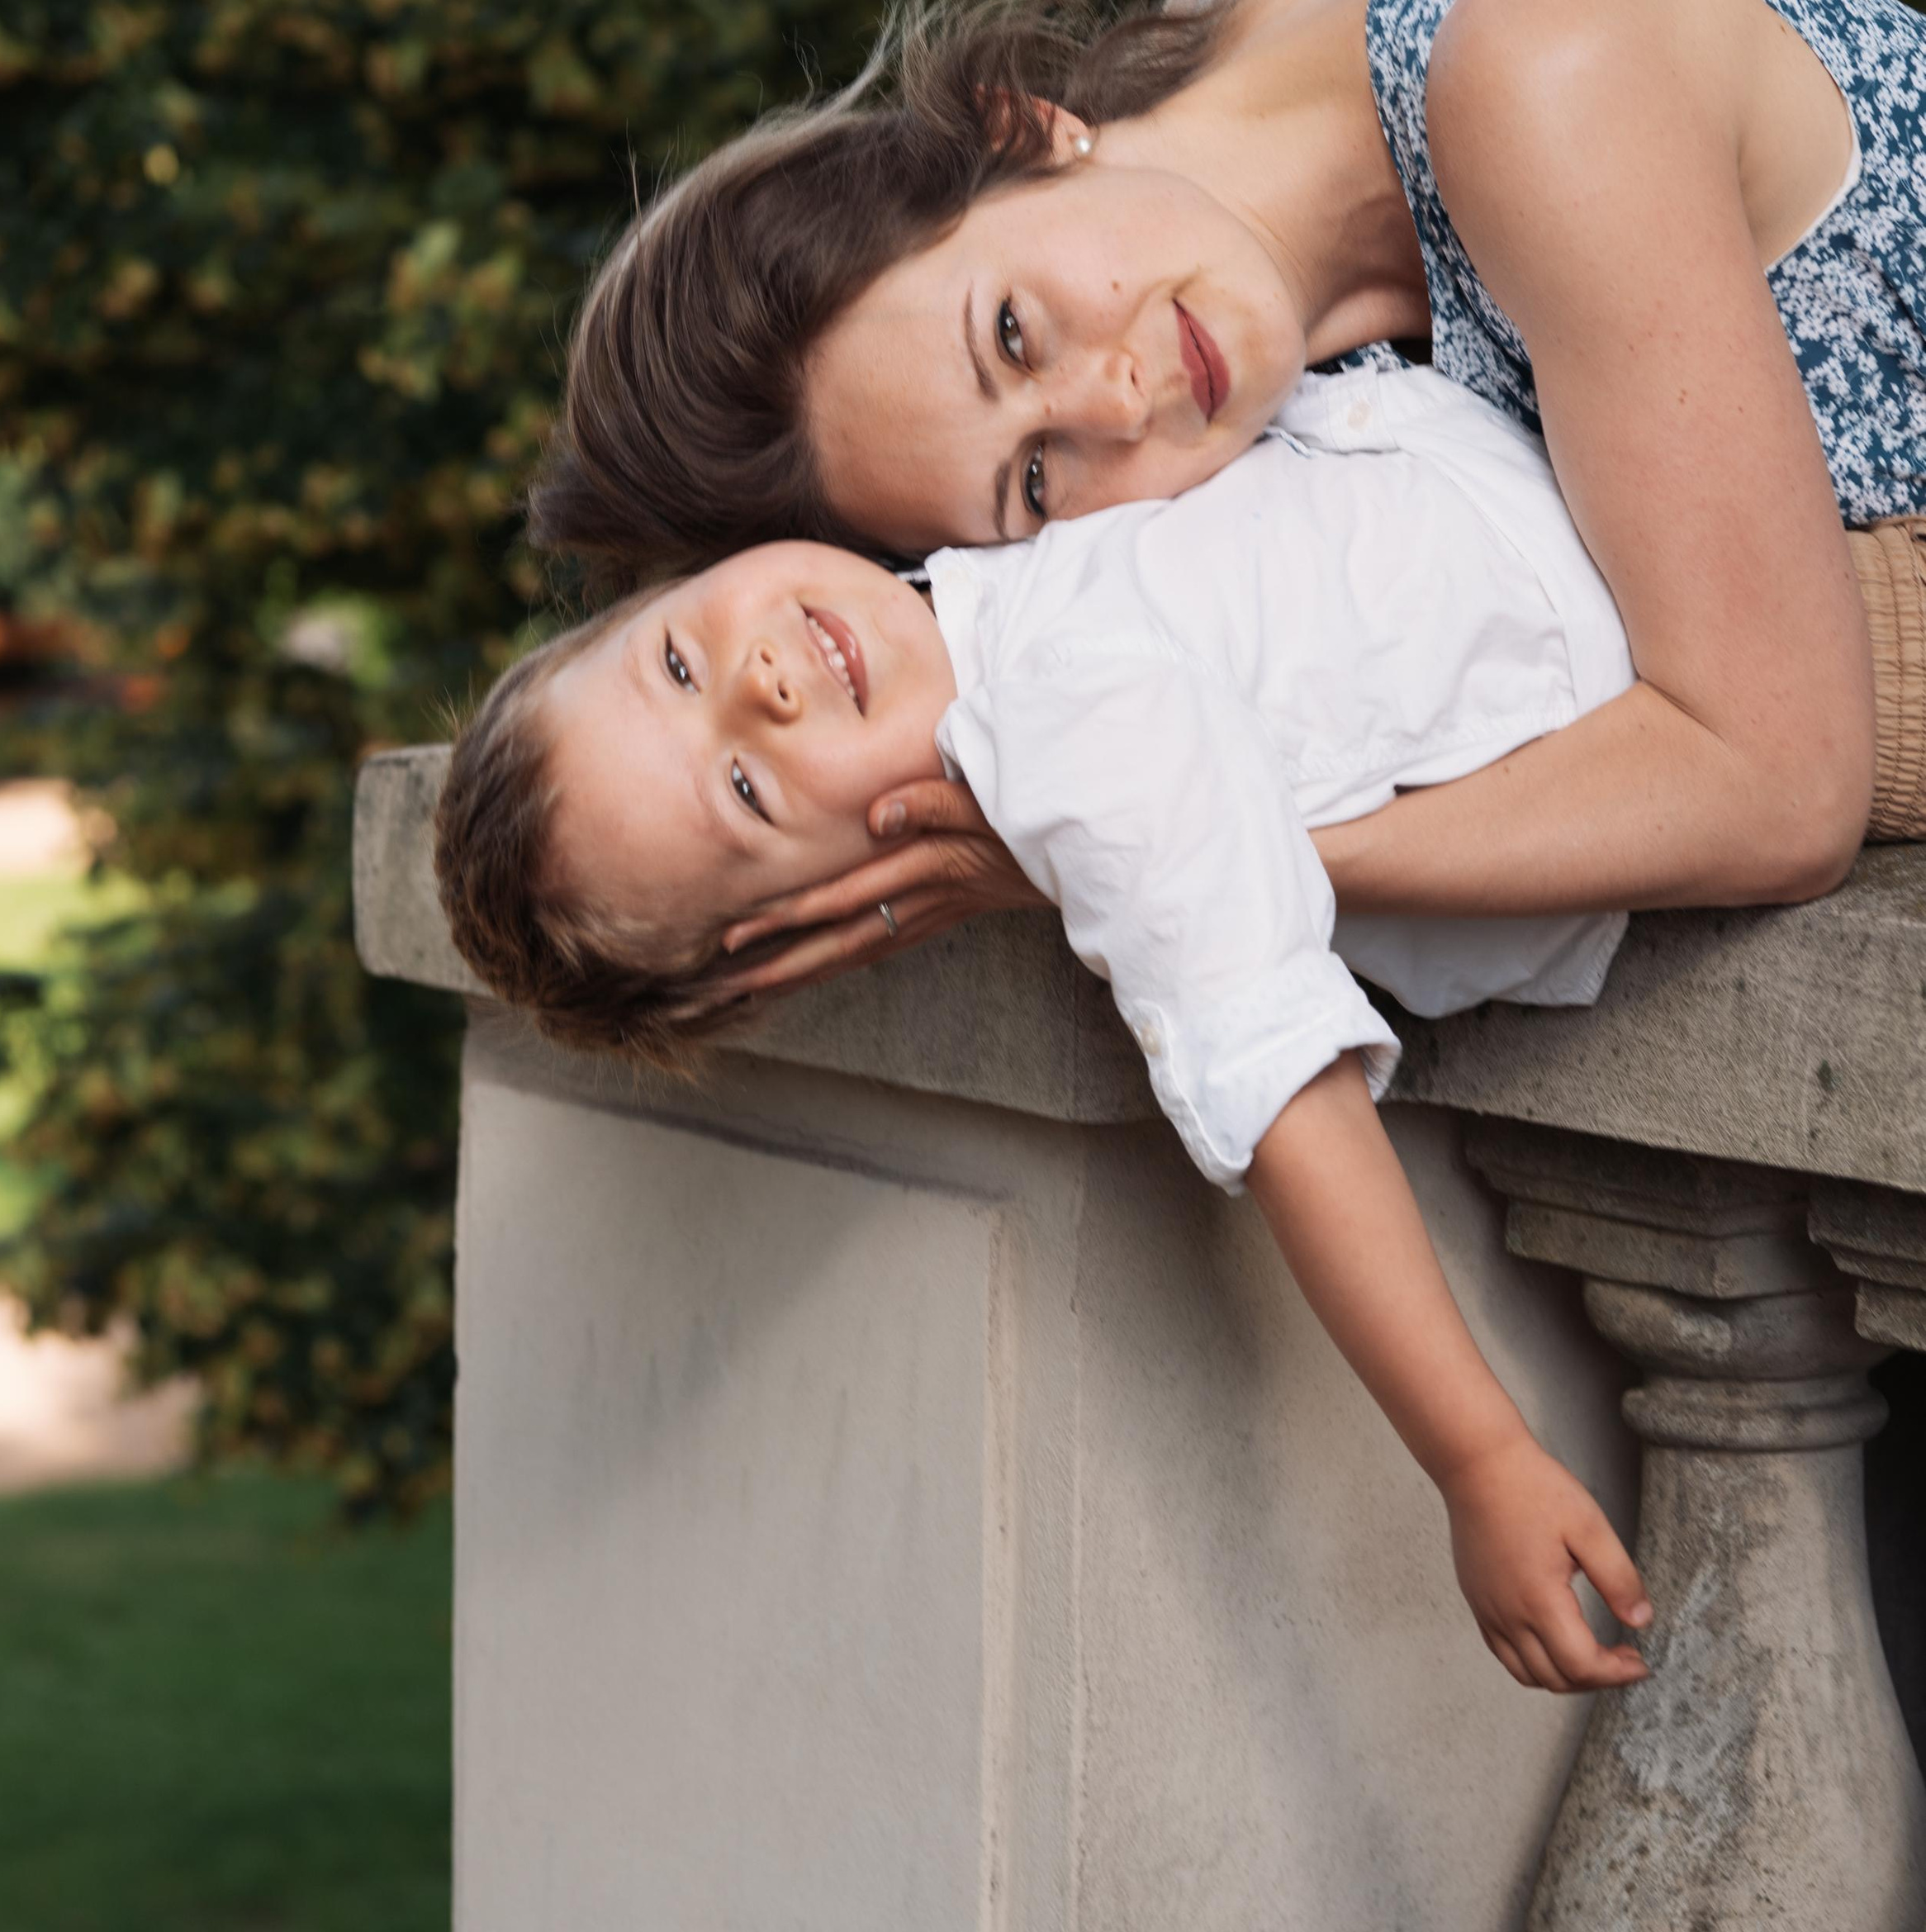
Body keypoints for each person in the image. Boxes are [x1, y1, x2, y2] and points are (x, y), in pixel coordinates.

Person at [437, 356, 1656, 1696]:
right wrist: (1477, 1455)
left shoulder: (959, 529)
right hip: (1642, 592)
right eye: (746, 787)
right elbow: (1280, 1077)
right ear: (824, 913)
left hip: (1559, 432)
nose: (764, 683)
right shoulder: (1066, 740)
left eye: (677, 659)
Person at [528, 0, 1926, 993]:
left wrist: (1179, 856)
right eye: (1031, 480)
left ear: (1024, 130)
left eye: (1012, 332)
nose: (1118, 405)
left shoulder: (1528, 78)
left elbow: (1779, 790)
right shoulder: (1221, 89)